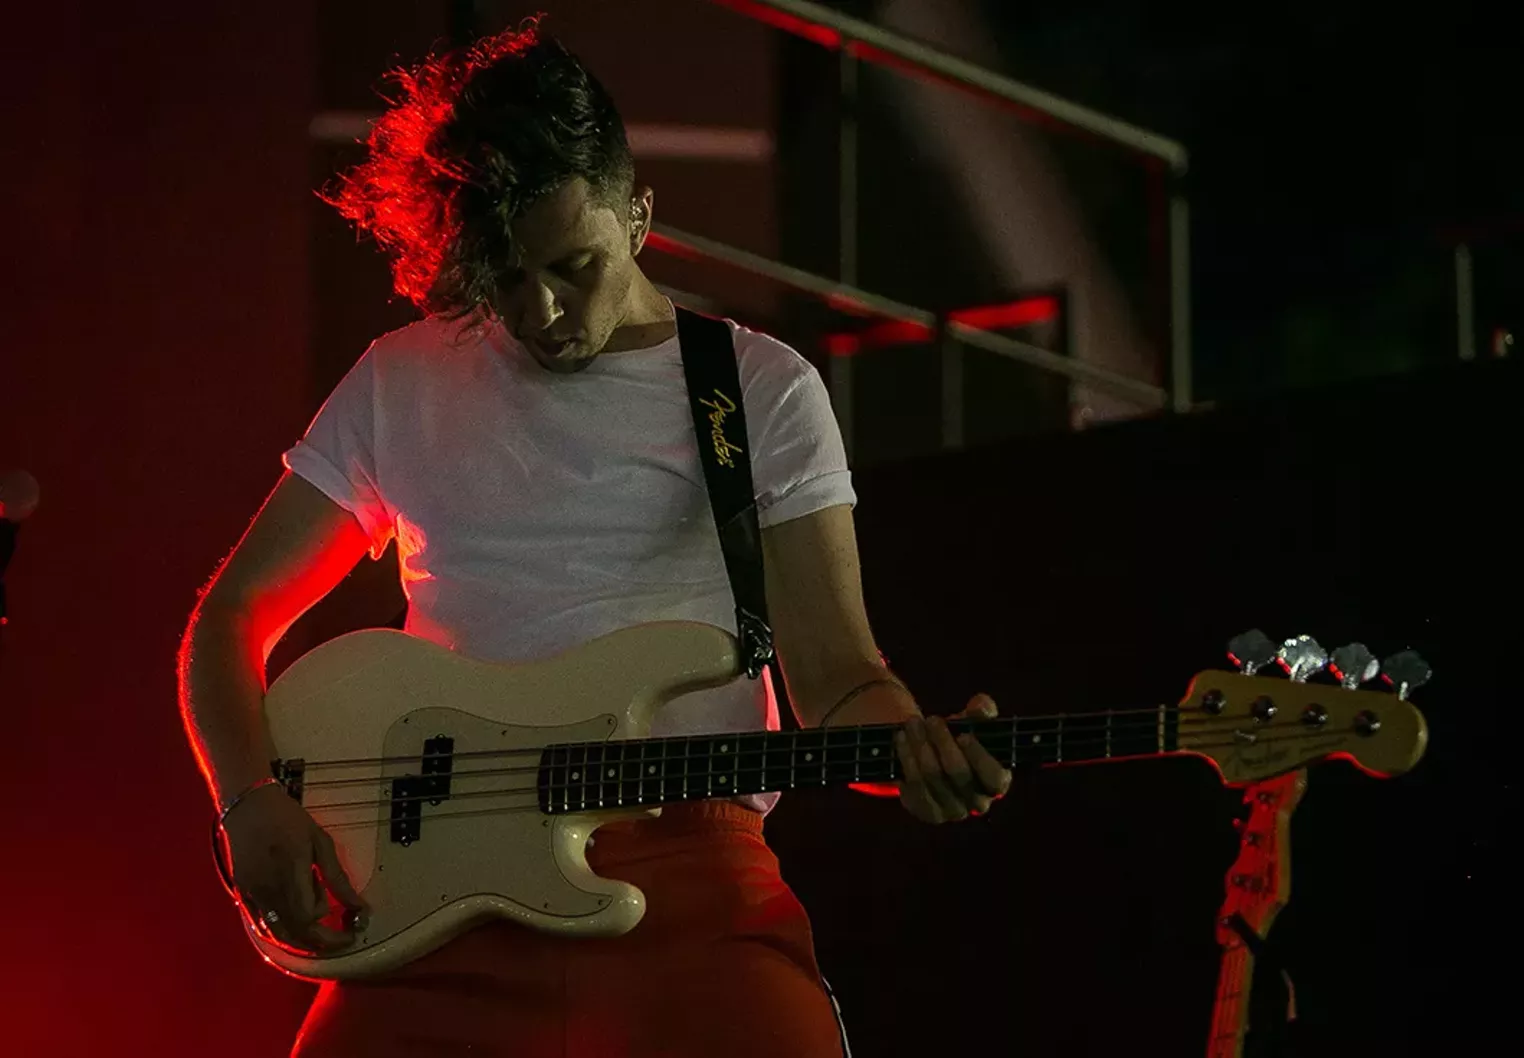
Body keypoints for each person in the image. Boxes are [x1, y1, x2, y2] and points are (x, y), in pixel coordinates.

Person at [177, 18, 1010, 1058]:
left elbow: (839, 680)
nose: (542, 309)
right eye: (505, 276)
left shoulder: (758, 390)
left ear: (640, 216)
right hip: (441, 891)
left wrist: (914, 754)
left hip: (693, 874)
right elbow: (230, 617)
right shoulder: (401, 379)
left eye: (575, 265)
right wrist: (248, 796)